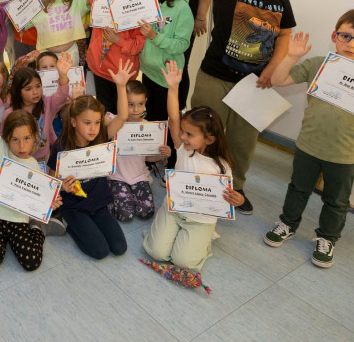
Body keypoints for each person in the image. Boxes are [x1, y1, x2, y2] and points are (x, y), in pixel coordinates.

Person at [264, 11, 354, 268]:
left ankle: (327, 238)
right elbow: (277, 79)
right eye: (346, 36)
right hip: (309, 144)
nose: (351, 44)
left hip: (345, 153)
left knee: (336, 200)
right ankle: (287, 224)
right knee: (298, 188)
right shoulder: (319, 64)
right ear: (334, 36)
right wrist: (292, 56)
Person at [192, 0, 296, 213]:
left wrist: (273, 68)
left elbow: (284, 35)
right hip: (215, 77)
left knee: (243, 141)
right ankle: (194, 181)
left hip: (255, 84)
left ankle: (234, 188)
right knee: (201, 132)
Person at [142, 61, 244, 271]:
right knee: (156, 252)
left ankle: (205, 240)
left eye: (190, 134)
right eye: (183, 132)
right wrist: (173, 88)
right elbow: (173, 118)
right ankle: (176, 235)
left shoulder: (222, 166)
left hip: (201, 220)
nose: (182, 136)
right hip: (174, 210)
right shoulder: (183, 148)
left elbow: (227, 196)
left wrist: (238, 199)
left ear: (210, 139)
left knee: (183, 262)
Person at [0, 75, 64, 269]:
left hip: (18, 218)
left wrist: (49, 203)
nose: (21, 145)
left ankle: (38, 230)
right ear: (6, 137)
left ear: (34, 138)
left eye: (26, 138)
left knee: (32, 262)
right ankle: (5, 238)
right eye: (15, 139)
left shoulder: (34, 165)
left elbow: (38, 197)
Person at [48, 60, 134, 260]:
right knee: (100, 251)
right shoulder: (61, 147)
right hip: (74, 207)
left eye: (96, 122)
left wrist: (121, 86)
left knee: (120, 248)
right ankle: (68, 223)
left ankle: (89, 223)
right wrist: (62, 186)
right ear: (73, 122)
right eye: (87, 123)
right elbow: (51, 182)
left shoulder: (101, 137)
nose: (93, 128)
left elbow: (122, 116)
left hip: (98, 204)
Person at [130, 0, 194, 138]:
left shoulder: (182, 8)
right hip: (149, 72)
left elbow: (181, 45)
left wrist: (154, 36)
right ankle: (153, 158)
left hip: (169, 78)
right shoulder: (150, 0)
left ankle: (172, 162)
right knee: (152, 121)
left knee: (171, 123)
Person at [80, 0, 144, 113]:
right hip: (99, 70)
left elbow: (139, 43)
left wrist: (119, 40)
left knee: (122, 114)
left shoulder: (136, 6)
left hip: (123, 74)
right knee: (104, 113)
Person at [109, 80, 169, 222]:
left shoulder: (148, 127)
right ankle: (110, 198)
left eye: (140, 104)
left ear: (145, 102)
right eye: (130, 104)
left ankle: (128, 194)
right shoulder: (111, 120)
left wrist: (162, 155)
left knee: (146, 212)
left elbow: (148, 157)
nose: (136, 109)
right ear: (122, 101)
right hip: (116, 177)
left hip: (139, 176)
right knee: (125, 215)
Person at [3, 53, 75, 164]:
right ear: (18, 92)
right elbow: (4, 141)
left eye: (38, 86)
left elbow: (61, 97)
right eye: (28, 89)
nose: (35, 92)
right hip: (20, 161)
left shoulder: (46, 104)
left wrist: (63, 75)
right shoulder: (9, 114)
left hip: (44, 158)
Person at [24, 0, 89, 64]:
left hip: (70, 55)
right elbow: (18, 21)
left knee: (71, 80)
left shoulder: (77, 1)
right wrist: (18, 0)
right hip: (46, 58)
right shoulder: (39, 5)